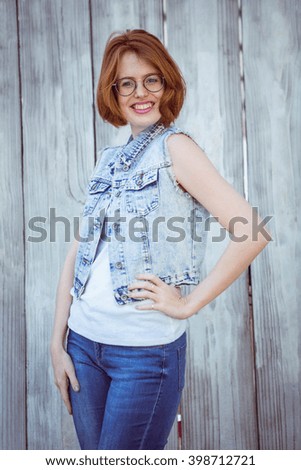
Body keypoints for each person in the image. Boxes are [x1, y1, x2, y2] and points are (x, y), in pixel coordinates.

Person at [50, 29, 271, 450]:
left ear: (167, 84)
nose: (140, 93)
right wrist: (56, 343)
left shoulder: (176, 148)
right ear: (111, 93)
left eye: (152, 79)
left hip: (143, 355)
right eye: (126, 83)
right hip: (82, 347)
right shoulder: (108, 159)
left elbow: (251, 231)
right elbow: (78, 249)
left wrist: (187, 304)